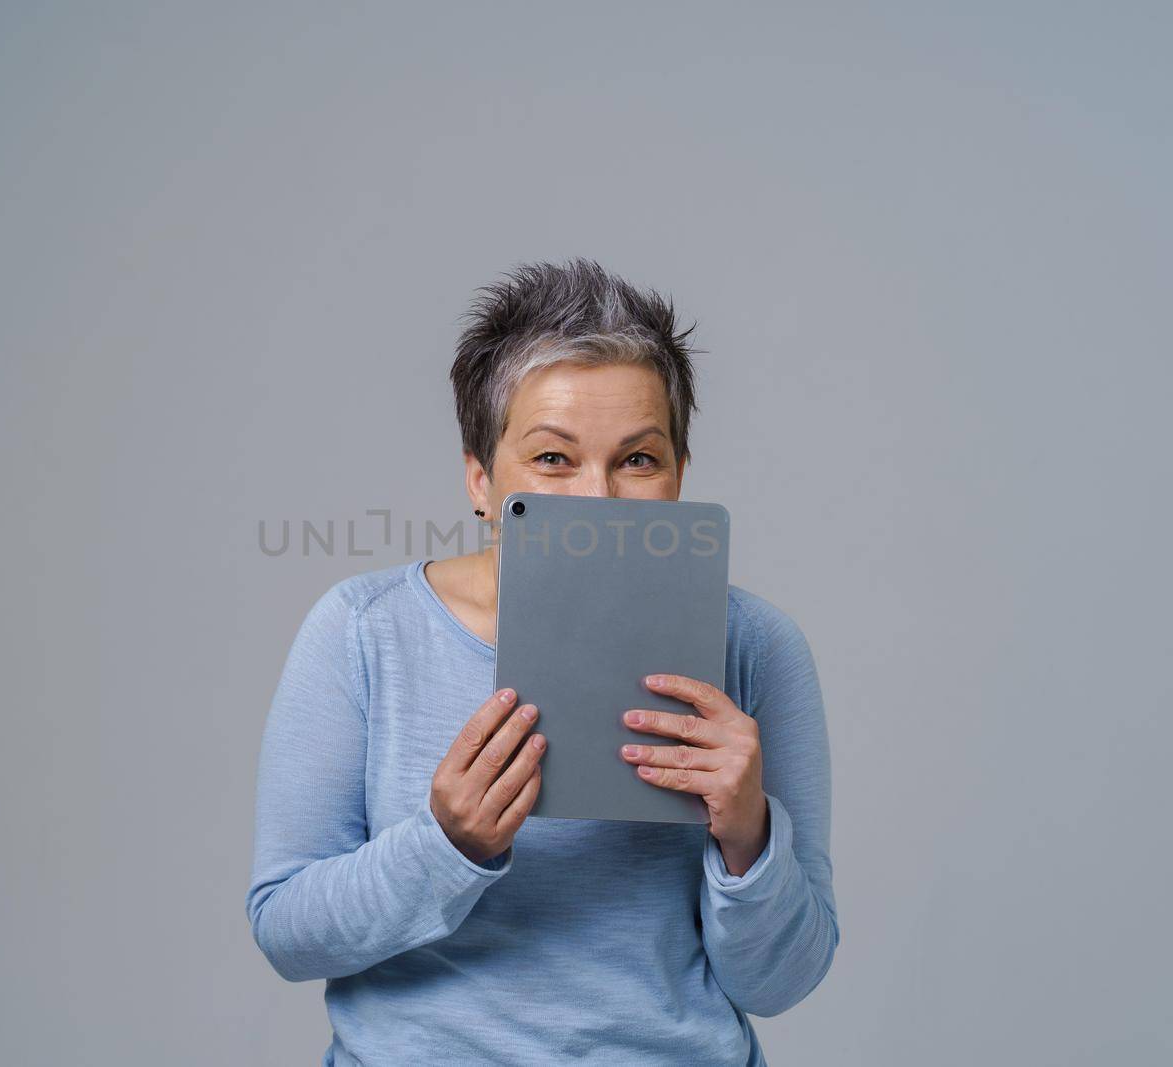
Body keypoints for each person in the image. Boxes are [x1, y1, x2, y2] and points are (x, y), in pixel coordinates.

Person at [245, 258, 838, 1065]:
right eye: (553, 459)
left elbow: (782, 981)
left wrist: (750, 836)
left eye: (638, 459)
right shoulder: (363, 631)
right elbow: (287, 933)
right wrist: (445, 845)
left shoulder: (757, 644)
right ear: (481, 479)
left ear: (679, 478)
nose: (596, 500)